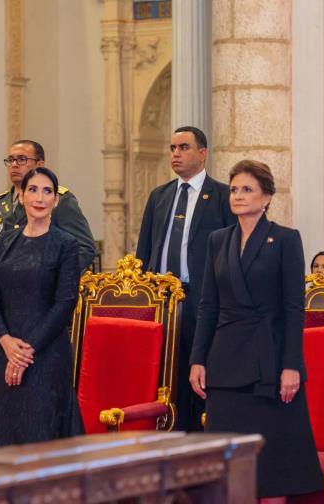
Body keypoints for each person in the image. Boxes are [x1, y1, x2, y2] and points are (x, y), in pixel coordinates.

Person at [189, 160, 323, 500]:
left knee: (272, 466)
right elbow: (208, 305)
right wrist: (198, 359)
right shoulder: (218, 240)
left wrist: (292, 365)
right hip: (225, 362)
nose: (237, 196)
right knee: (228, 465)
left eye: (247, 189)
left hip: (271, 363)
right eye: (234, 189)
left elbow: (294, 308)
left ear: (266, 197)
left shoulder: (286, 240)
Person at [135, 126, 233, 431]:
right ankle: (166, 431)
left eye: (184, 147)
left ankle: (201, 433)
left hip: (199, 299)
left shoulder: (221, 196)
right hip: (162, 299)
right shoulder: (160, 195)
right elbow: (145, 247)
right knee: (164, 372)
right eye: (172, 148)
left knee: (198, 369)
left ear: (202, 153)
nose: (175, 154)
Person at [0, 167, 84, 448]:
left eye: (47, 191)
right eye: (33, 190)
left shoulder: (66, 244)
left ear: (55, 201)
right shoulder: (4, 241)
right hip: (5, 349)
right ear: (21, 196)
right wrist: (6, 341)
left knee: (40, 432)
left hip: (45, 355)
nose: (40, 197)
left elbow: (65, 303)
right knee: (2, 432)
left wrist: (25, 351)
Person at [0, 140, 95, 270]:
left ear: (40, 165)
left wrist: (52, 274)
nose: (14, 165)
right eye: (11, 160)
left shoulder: (59, 200)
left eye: (22, 159)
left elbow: (85, 248)